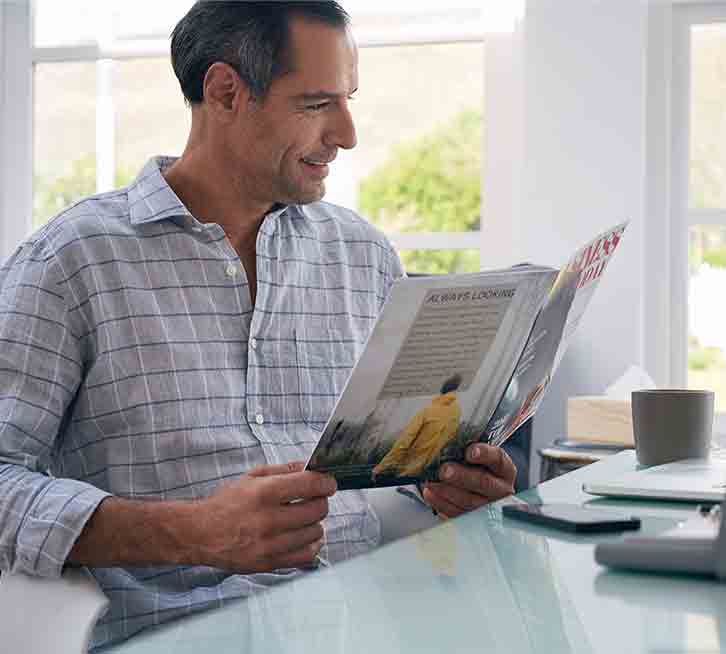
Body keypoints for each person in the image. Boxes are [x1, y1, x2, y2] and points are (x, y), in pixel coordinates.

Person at [0, 2, 516, 649]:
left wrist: (452, 488)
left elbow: (394, 471)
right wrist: (194, 532)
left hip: (371, 624)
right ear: (224, 92)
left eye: (348, 99)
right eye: (317, 103)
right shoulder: (73, 261)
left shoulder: (365, 257)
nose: (348, 133)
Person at [372, 374, 463, 480]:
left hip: (407, 472)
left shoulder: (428, 411)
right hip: (430, 472)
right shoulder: (456, 412)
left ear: (442, 391)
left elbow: (403, 443)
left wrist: (380, 467)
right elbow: (450, 438)